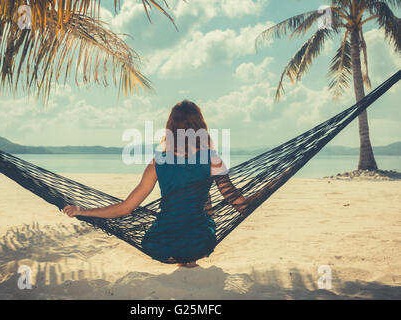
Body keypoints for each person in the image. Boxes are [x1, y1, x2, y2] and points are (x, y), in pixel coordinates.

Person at [63, 100, 288, 267]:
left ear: (170, 128)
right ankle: (189, 258)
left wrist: (84, 211)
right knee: (201, 199)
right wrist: (266, 189)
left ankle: (181, 254)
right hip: (200, 243)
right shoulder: (212, 158)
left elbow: (126, 208)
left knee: (189, 200)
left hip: (161, 245)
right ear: (200, 126)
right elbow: (235, 201)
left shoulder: (157, 162)